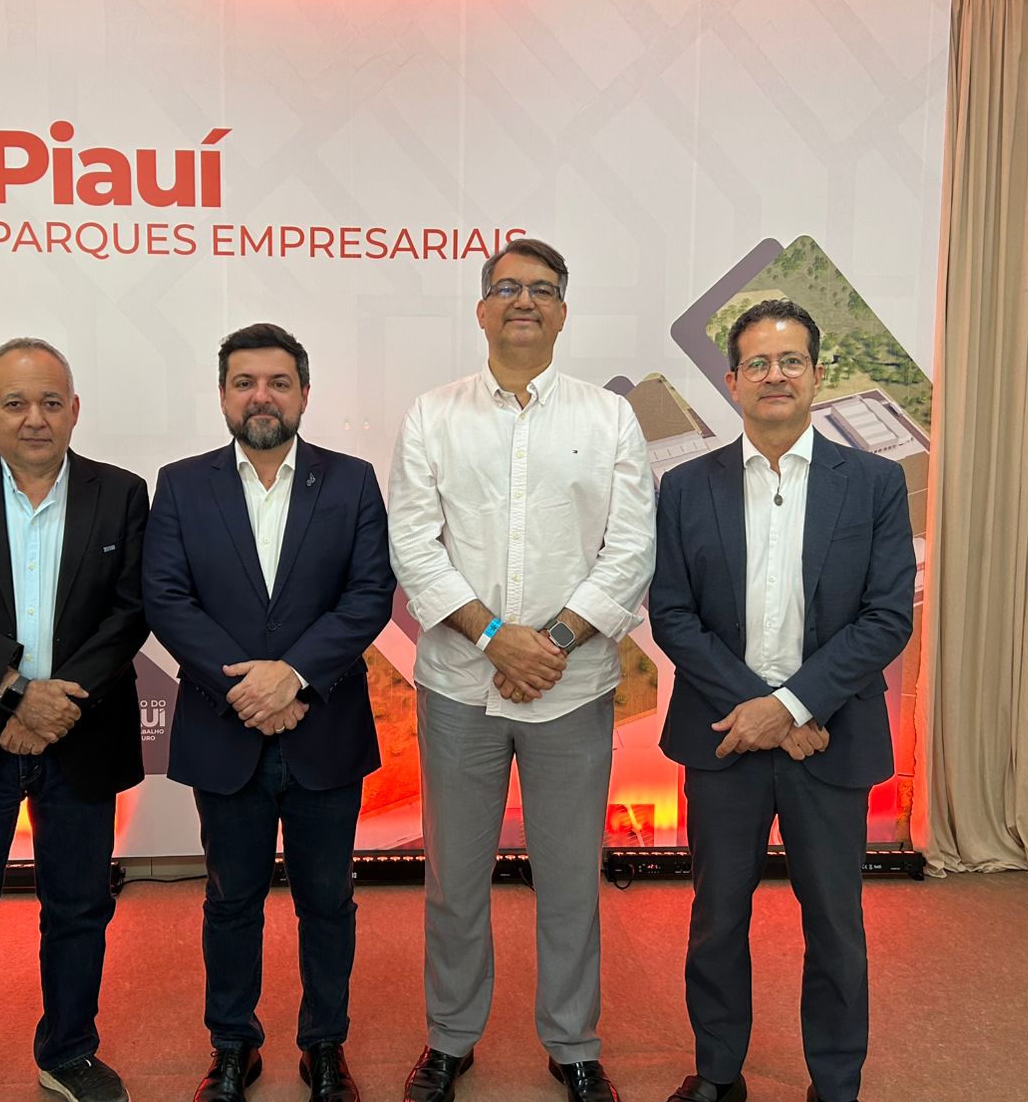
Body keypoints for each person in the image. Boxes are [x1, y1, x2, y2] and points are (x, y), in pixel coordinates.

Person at [387, 238, 657, 1102]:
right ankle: (450, 1038)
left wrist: (555, 643)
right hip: (459, 685)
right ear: (481, 309)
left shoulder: (608, 418)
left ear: (563, 312)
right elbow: (413, 546)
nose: (524, 301)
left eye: (542, 289)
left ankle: (573, 1044)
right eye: (506, 287)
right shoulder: (432, 415)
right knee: (454, 879)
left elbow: (630, 549)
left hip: (571, 688)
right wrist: (496, 638)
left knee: (571, 878)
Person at [648, 298, 916, 1102]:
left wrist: (795, 706)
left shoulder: (873, 483)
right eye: (758, 363)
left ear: (816, 375)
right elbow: (673, 614)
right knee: (716, 918)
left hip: (829, 738)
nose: (775, 375)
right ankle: (717, 1073)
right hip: (724, 735)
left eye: (791, 360)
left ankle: (835, 1083)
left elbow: (887, 616)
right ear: (732, 380)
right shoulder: (685, 486)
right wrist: (762, 711)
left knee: (834, 923)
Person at [144, 323, 395, 1102]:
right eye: (245, 382)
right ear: (223, 395)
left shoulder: (351, 481)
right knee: (230, 900)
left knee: (329, 900)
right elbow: (167, 598)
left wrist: (293, 678)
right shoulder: (181, 484)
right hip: (225, 730)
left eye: (279, 382)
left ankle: (324, 1045)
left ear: (304, 394)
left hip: (326, 726)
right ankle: (233, 1046)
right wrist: (246, 689)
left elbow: (369, 595)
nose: (262, 396)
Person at [0, 337, 150, 1102]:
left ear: (74, 410)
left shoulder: (122, 493)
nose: (34, 418)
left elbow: (130, 611)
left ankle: (68, 1053)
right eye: (15, 403)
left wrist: (55, 704)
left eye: (50, 402)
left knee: (79, 909)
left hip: (80, 733)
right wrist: (16, 693)